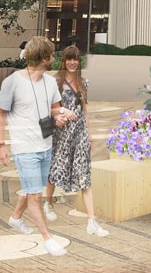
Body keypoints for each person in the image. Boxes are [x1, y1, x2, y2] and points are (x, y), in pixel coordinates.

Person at [0, 37, 74, 256]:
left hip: (46, 144)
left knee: (34, 189)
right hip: (25, 148)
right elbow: (2, 114)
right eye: (52, 54)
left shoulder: (50, 83)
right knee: (35, 196)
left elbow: (52, 110)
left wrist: (62, 114)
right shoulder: (12, 82)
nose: (54, 57)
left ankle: (15, 218)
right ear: (44, 57)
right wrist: (1, 144)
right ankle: (48, 239)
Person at [44, 46, 109, 237]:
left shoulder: (83, 83)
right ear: (63, 61)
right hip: (61, 134)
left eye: (76, 59)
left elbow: (85, 111)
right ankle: (48, 202)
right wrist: (62, 112)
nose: (72, 62)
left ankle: (91, 222)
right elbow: (46, 108)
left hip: (79, 134)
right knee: (55, 171)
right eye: (69, 59)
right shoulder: (54, 83)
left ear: (79, 62)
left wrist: (88, 135)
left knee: (84, 176)